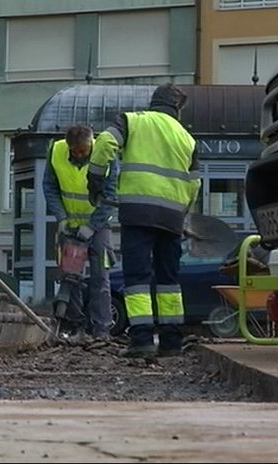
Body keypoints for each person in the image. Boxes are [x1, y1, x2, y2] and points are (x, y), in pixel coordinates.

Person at [87, 83, 200, 358]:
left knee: (137, 278)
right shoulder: (188, 138)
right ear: (177, 109)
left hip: (138, 213)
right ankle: (172, 342)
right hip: (172, 217)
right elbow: (194, 184)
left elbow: (104, 143)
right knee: (169, 281)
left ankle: (142, 340)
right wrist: (184, 215)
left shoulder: (132, 120)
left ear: (154, 102)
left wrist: (95, 178)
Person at [43, 124, 118, 341]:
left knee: (100, 277)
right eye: (74, 150)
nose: (78, 154)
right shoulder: (56, 151)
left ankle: (101, 330)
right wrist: (61, 218)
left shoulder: (106, 155)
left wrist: (92, 226)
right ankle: (76, 326)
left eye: (82, 151)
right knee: (70, 277)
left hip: (99, 226)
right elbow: (49, 187)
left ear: (91, 144)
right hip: (70, 224)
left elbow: (110, 196)